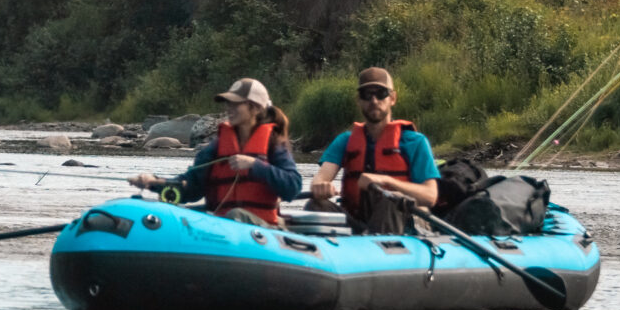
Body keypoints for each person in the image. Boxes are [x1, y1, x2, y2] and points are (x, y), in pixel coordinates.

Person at [130, 79, 302, 225]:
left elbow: (292, 186)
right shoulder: (215, 148)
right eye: (229, 103)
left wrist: (255, 165)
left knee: (235, 215)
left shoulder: (274, 144)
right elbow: (191, 188)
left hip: (263, 229)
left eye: (236, 104)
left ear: (255, 108)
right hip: (223, 227)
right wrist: (154, 183)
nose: (229, 108)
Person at [307, 67, 439, 235]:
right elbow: (320, 179)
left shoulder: (415, 142)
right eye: (366, 95)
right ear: (359, 100)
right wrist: (321, 187)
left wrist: (387, 181)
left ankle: (379, 243)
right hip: (358, 222)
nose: (374, 101)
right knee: (316, 204)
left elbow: (430, 195)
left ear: (392, 98)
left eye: (381, 94)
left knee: (391, 200)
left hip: (405, 225)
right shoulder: (345, 141)